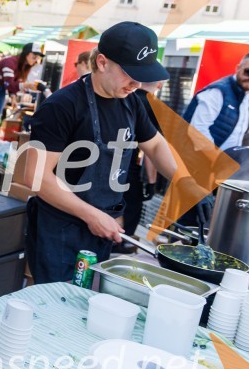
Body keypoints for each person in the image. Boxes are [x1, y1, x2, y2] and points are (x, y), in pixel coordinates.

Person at [24, 22, 178, 284]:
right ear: (103, 62)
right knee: (57, 300)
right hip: (61, 231)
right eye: (130, 74)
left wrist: (185, 183)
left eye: (143, 76)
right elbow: (36, 177)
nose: (137, 84)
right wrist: (92, 215)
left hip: (103, 228)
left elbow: (154, 144)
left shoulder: (132, 102)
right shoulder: (62, 106)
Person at [114, 80, 164, 253]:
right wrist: (151, 182)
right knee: (131, 207)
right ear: (159, 85)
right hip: (128, 164)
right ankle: (121, 243)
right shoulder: (152, 106)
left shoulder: (126, 99)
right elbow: (151, 149)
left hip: (111, 162)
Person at [182, 52, 249, 151]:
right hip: (200, 157)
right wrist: (215, 156)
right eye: (248, 72)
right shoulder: (217, 92)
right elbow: (197, 130)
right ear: (238, 68)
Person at [0, 43, 43, 142]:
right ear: (27, 53)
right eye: (34, 56)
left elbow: (12, 83)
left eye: (38, 57)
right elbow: (9, 84)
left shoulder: (24, 66)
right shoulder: (10, 62)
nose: (36, 59)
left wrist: (13, 97)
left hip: (1, 85)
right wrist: (26, 85)